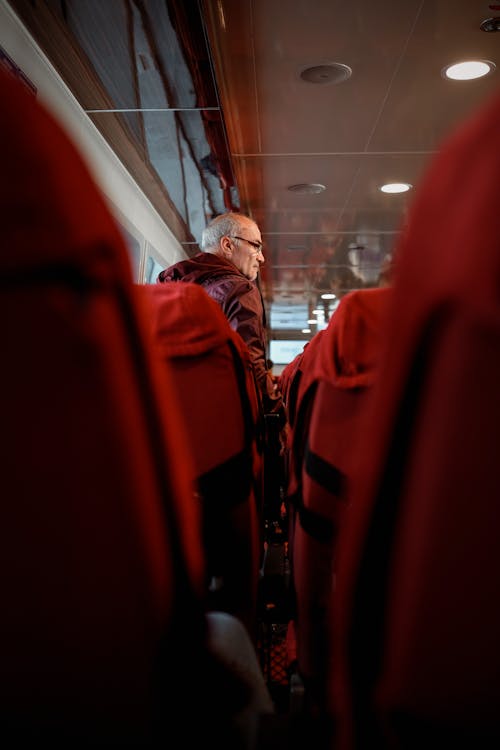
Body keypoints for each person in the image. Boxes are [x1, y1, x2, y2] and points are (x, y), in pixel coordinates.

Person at [158, 212, 284, 422]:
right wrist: (278, 415)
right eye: (256, 246)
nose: (261, 257)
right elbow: (250, 364)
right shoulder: (240, 290)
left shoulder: (168, 289)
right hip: (221, 423)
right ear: (228, 245)